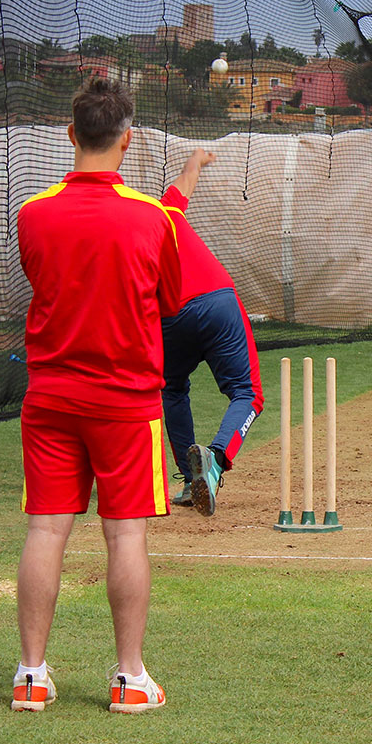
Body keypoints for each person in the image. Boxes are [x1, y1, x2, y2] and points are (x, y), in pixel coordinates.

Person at [12, 77, 178, 713]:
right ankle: (130, 679)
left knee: (46, 531)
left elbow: (44, 279)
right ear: (127, 140)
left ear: (71, 133)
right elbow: (164, 302)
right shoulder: (152, 218)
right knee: (125, 537)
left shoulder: (33, 213)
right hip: (125, 404)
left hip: (50, 398)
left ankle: (31, 674)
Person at [158, 149, 264, 517]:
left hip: (168, 317)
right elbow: (186, 179)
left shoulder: (119, 242)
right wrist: (198, 159)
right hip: (217, 302)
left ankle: (190, 480)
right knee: (247, 393)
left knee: (171, 388)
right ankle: (216, 459)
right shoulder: (165, 211)